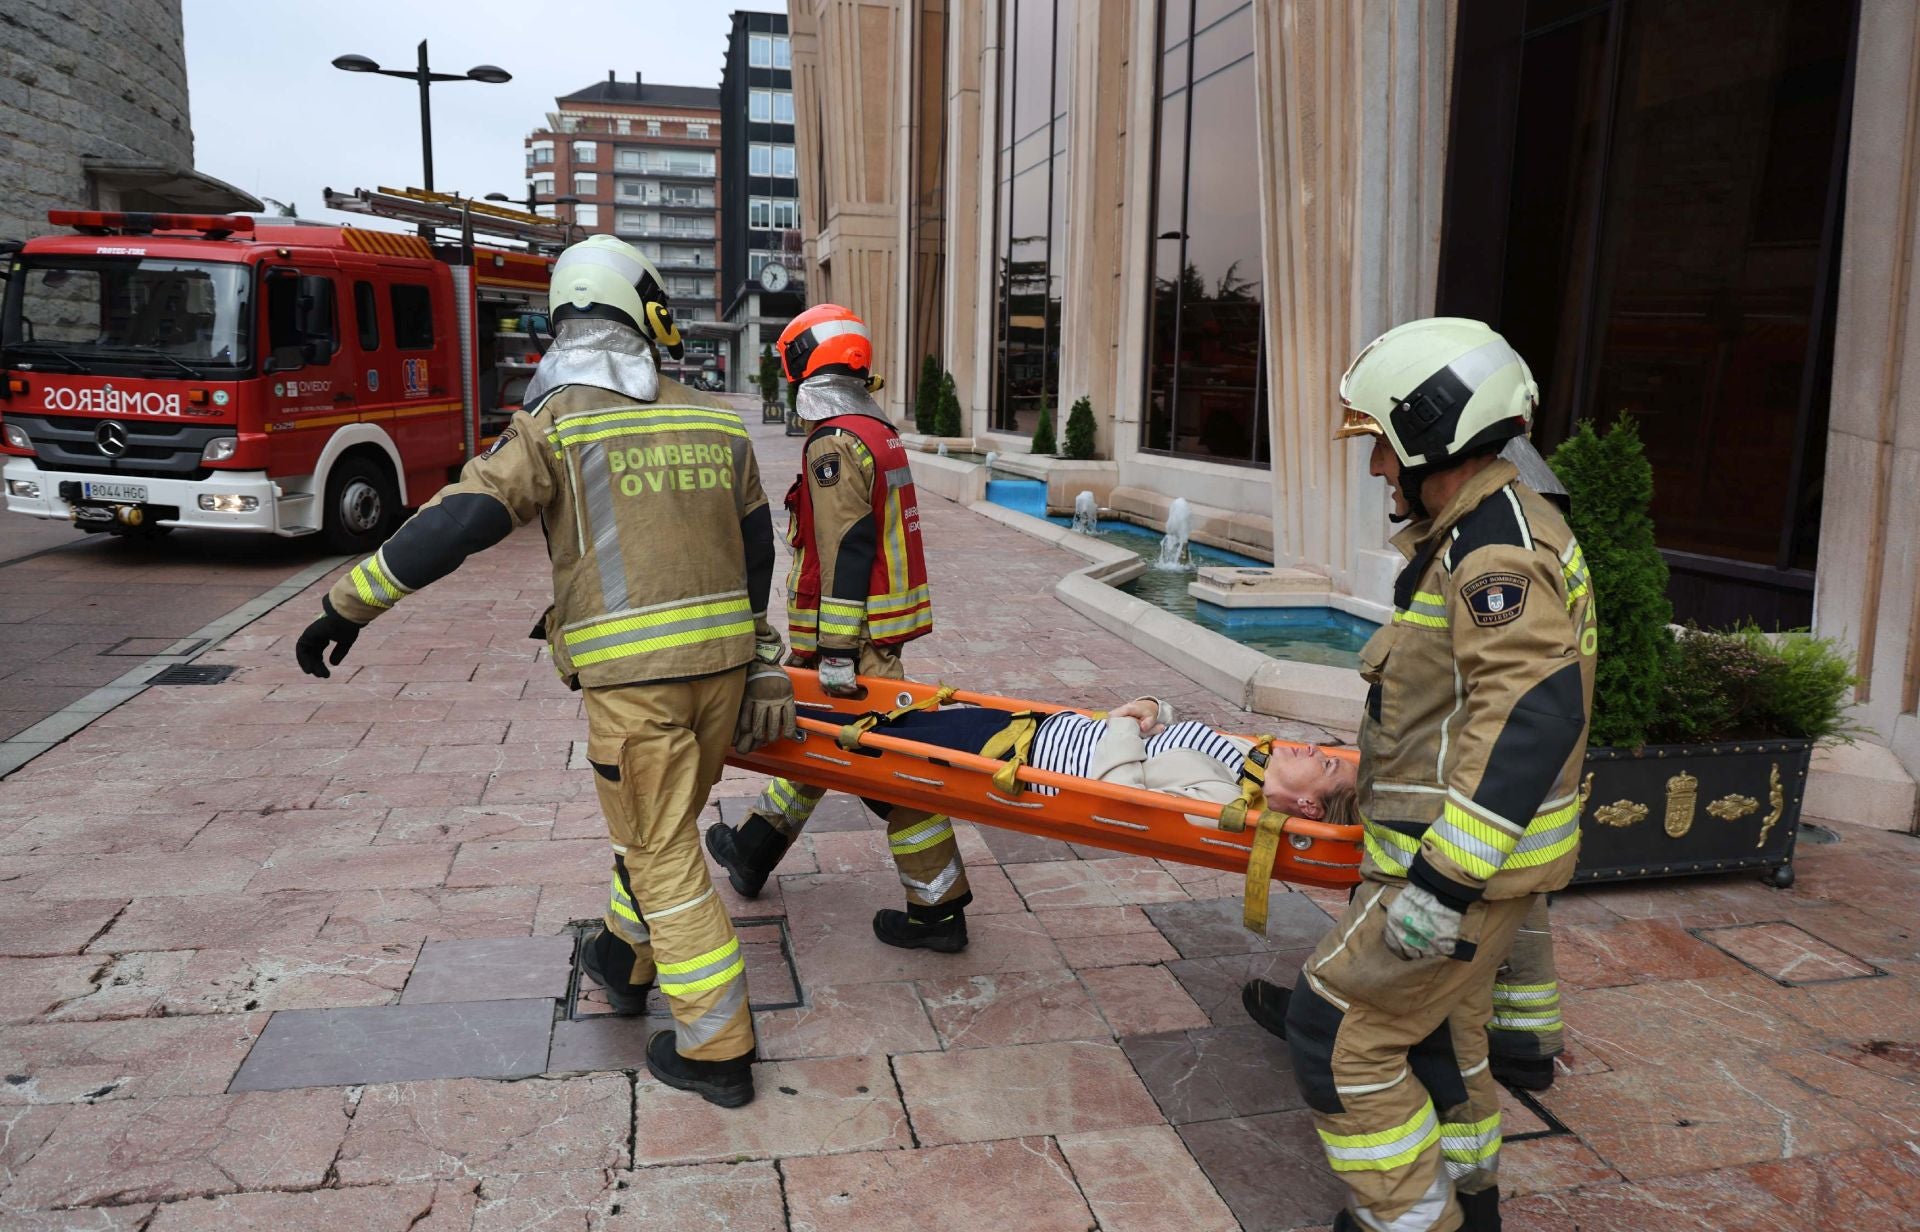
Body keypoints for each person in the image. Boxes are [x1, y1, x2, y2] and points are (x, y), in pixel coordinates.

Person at [294, 236, 795, 1110]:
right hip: (720, 676)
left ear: (565, 324)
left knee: (663, 847)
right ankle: (619, 956)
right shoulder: (717, 421)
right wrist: (757, 665)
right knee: (659, 824)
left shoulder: (557, 423)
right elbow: (758, 554)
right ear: (648, 315)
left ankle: (718, 1048)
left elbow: (459, 523)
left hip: (636, 686)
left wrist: (350, 603)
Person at [1275, 318, 1596, 1232]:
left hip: (1456, 871)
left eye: (1382, 439)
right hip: (1454, 856)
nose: (1376, 464)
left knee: (1335, 1029)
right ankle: (1471, 1218)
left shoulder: (1492, 555)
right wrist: (1361, 796)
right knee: (1442, 1046)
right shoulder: (1490, 529)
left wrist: (1443, 884)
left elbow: (1532, 717)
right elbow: (1446, 717)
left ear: (1433, 435)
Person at [704, 304, 977, 953]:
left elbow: (848, 546)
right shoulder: (875, 431)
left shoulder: (835, 441)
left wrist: (833, 655)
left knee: (888, 769)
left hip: (850, 642)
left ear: (807, 365)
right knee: (815, 740)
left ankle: (938, 910)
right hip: (865, 633)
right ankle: (754, 847)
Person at [800, 694, 1358, 824]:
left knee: (863, 736)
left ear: (1309, 805)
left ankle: (765, 718)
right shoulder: (1249, 757)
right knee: (885, 724)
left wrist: (1121, 723)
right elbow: (1173, 730)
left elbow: (1126, 798)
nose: (1315, 748)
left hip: (1008, 756)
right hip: (1026, 731)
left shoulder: (1229, 799)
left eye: (1328, 764)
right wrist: (1151, 706)